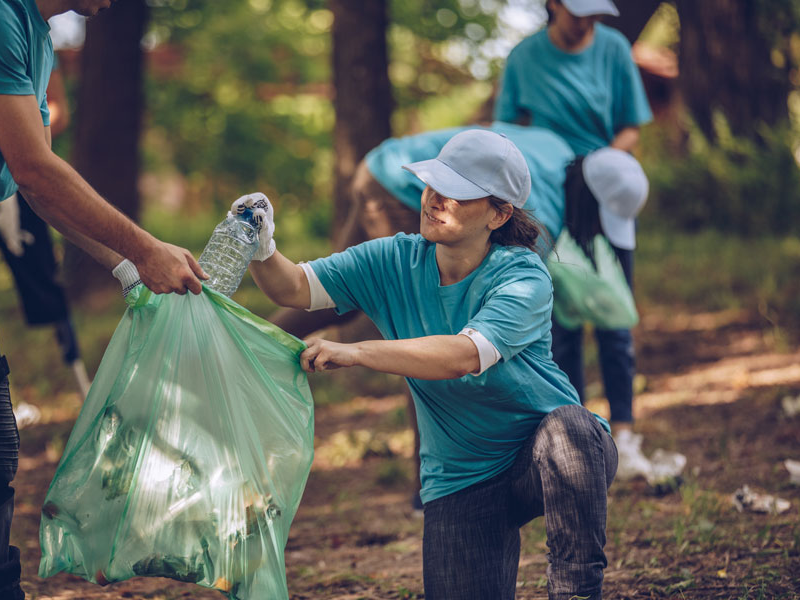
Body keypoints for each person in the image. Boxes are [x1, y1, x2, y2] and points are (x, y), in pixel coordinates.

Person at [0, 1, 207, 599]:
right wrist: (146, 248)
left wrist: (126, 268)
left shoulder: (31, 31)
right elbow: (34, 169)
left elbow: (31, 182)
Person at [240, 129, 618, 599]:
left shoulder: (523, 276)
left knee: (573, 429)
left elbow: (463, 355)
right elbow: (293, 288)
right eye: (433, 184)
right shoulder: (392, 259)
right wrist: (261, 246)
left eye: (457, 193)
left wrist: (359, 352)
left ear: (499, 214)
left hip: (543, 456)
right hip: (461, 477)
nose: (436, 199)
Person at [495, 0, 653, 460]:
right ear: (553, 5)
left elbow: (630, 128)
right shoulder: (524, 57)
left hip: (604, 188)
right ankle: (576, 429)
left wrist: (593, 166)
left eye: (594, 13)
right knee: (560, 316)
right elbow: (509, 127)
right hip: (547, 196)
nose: (586, 21)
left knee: (614, 313)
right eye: (577, 10)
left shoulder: (614, 49)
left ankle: (623, 431)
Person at [0, 57, 91, 401]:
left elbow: (58, 107)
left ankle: (80, 384)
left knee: (46, 281)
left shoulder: (35, 39)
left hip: (17, 179)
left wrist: (21, 132)